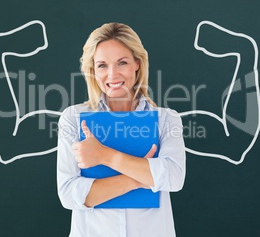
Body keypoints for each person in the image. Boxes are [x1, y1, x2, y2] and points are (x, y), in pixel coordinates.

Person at [57, 22, 186, 237]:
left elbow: (173, 178)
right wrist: (138, 178)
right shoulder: (74, 118)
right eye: (102, 66)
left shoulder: (166, 119)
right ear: (92, 70)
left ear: (137, 63)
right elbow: (69, 195)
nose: (112, 74)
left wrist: (104, 156)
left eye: (122, 63)